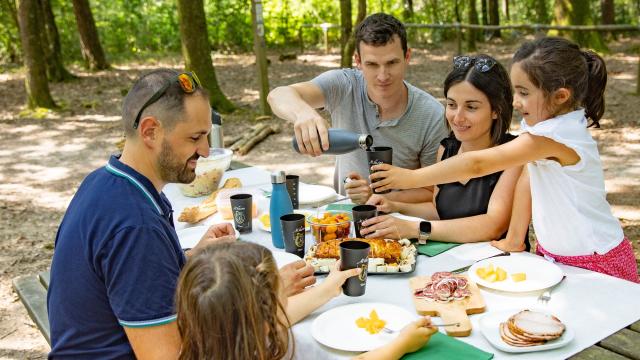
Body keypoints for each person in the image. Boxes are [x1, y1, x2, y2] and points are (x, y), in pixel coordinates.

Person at [47, 69, 314, 359]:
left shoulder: (107, 181)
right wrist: (266, 298)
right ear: (150, 131)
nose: (206, 151)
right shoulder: (136, 227)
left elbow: (128, 274)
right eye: (195, 137)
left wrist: (189, 257)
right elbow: (169, 356)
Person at [368, 37, 639, 283]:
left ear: (560, 96)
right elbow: (527, 182)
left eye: (523, 92)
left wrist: (410, 177)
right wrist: (513, 240)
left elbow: (477, 164)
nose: (516, 101)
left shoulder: (557, 134)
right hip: (555, 255)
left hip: (594, 259)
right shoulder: (543, 131)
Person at [267, 13, 447, 203]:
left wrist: (376, 197)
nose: (383, 75)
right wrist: (303, 113)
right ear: (358, 61)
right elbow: (277, 95)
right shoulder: (344, 85)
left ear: (407, 56)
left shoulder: (432, 115)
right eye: (372, 64)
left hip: (403, 222)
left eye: (392, 63)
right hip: (342, 219)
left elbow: (433, 191)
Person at [359, 55, 527, 248]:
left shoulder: (515, 155)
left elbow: (492, 226)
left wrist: (415, 229)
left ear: (496, 110)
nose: (457, 117)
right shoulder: (447, 149)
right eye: (452, 104)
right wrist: (395, 206)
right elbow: (440, 210)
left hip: (496, 269)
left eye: (471, 107)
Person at [176, 241, 437, 360]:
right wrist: (400, 344)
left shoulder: (210, 341)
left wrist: (327, 289)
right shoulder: (270, 348)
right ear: (266, 309)